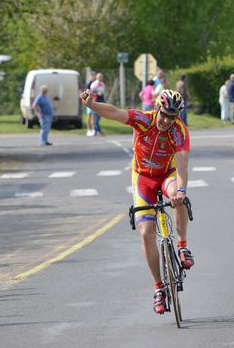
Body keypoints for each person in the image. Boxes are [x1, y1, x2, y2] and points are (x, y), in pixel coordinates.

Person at [80, 88, 194, 315]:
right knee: (145, 232)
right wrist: (92, 105)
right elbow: (115, 113)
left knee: (177, 198)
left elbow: (182, 166)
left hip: (166, 175)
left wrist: (180, 191)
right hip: (143, 178)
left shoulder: (179, 132)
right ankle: (159, 288)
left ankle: (182, 247)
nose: (166, 121)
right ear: (157, 109)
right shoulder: (144, 120)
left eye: (172, 117)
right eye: (164, 115)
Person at [85, 71, 97, 136]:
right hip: (89, 102)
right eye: (92, 76)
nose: (93, 77)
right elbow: (87, 92)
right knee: (89, 116)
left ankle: (93, 130)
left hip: (94, 101)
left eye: (94, 75)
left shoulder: (96, 83)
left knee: (93, 116)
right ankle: (89, 130)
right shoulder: (89, 83)